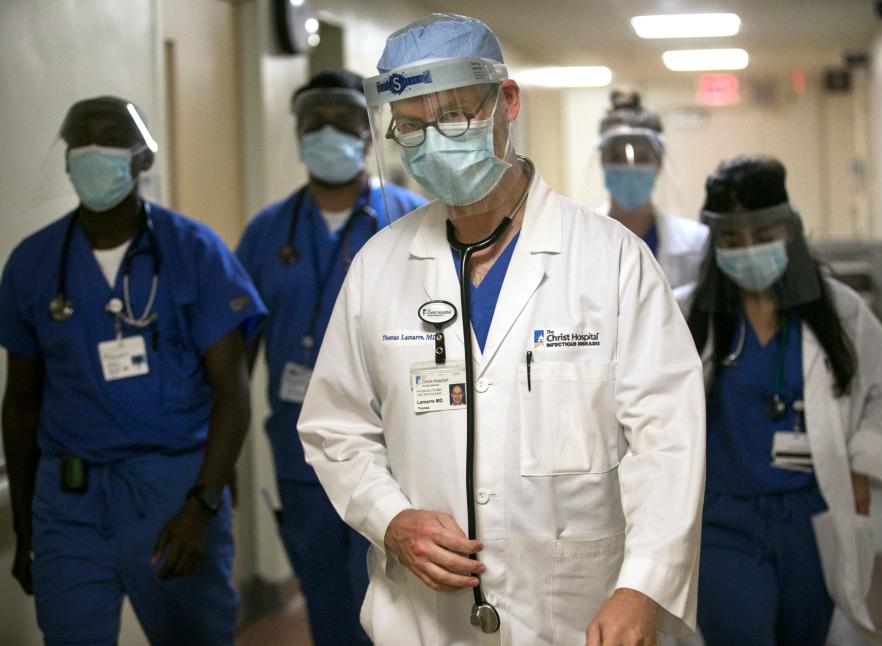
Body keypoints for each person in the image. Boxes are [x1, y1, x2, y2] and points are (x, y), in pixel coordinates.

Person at [297, 13, 705, 645]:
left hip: (578, 613)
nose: (435, 140)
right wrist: (390, 518)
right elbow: (335, 427)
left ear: (506, 102)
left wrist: (643, 584)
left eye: (455, 115)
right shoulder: (378, 267)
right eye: (412, 126)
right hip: (424, 621)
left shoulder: (612, 260)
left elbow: (668, 439)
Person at [0, 96, 265, 645]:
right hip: (68, 503)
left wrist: (204, 502)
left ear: (141, 158)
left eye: (111, 137)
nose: (95, 151)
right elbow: (20, 401)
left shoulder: (194, 252)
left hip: (174, 493)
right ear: (68, 156)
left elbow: (232, 395)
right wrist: (26, 526)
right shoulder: (33, 263)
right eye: (83, 140)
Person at [679, 155, 882, 645]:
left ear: (789, 230)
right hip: (723, 520)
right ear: (714, 244)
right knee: (741, 632)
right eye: (732, 241)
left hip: (810, 520)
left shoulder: (836, 309)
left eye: (763, 235)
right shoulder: (686, 313)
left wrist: (860, 467)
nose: (748, 251)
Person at [235, 70, 426, 644]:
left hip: (401, 444)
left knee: (400, 598)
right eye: (313, 120)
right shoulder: (267, 233)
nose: (327, 131)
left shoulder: (412, 219)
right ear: (295, 133)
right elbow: (236, 357)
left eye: (343, 119)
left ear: (369, 132)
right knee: (327, 599)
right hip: (304, 459)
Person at [597, 91, 707, 288]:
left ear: (659, 163)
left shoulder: (696, 243)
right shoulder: (576, 240)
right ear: (602, 162)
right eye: (617, 158)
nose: (630, 167)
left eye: (642, 159)